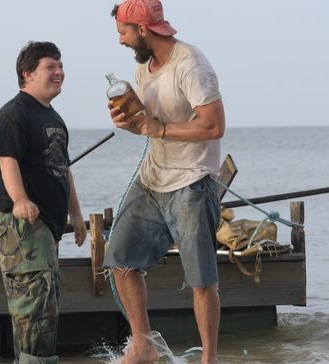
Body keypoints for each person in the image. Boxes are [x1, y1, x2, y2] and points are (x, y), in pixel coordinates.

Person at [103, 1, 226, 363]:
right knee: (120, 260)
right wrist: (131, 121)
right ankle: (144, 346)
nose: (121, 42)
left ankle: (209, 359)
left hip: (192, 182)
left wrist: (160, 129)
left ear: (142, 29)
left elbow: (214, 125)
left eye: (123, 33)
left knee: (202, 281)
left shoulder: (191, 64)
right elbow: (148, 121)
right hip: (152, 179)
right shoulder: (143, 69)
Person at [0, 41, 86, 364]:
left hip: (47, 227)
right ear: (27, 74)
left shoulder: (53, 118)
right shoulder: (15, 114)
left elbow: (62, 170)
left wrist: (77, 215)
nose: (59, 72)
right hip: (22, 226)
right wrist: (20, 199)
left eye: (61, 66)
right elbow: (7, 159)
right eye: (50, 67)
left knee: (45, 304)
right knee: (33, 306)